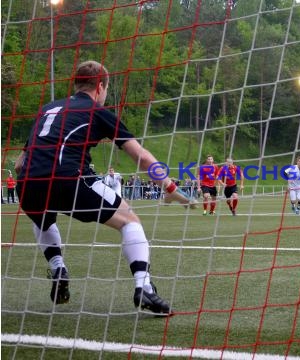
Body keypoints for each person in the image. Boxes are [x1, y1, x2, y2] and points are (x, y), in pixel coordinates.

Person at [14, 60, 194, 314]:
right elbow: (140, 156)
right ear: (100, 86)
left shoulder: (48, 108)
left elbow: (21, 163)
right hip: (70, 180)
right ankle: (144, 288)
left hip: (27, 185)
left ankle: (58, 267)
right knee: (130, 220)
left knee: (42, 219)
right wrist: (169, 187)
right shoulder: (97, 112)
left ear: (77, 83)